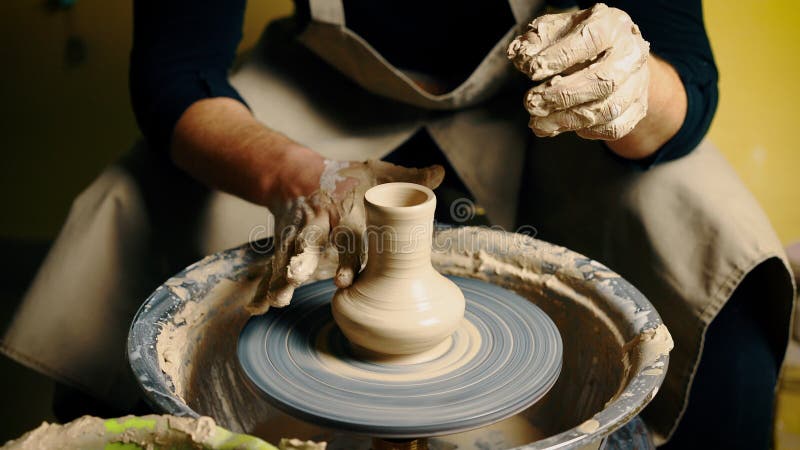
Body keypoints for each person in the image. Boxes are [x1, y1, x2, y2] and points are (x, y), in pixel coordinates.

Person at [1, 1, 794, 449]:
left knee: (716, 244)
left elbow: (686, 85)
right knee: (130, 206)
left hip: (546, 103)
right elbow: (175, 74)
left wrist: (629, 86)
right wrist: (300, 180)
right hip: (324, 95)